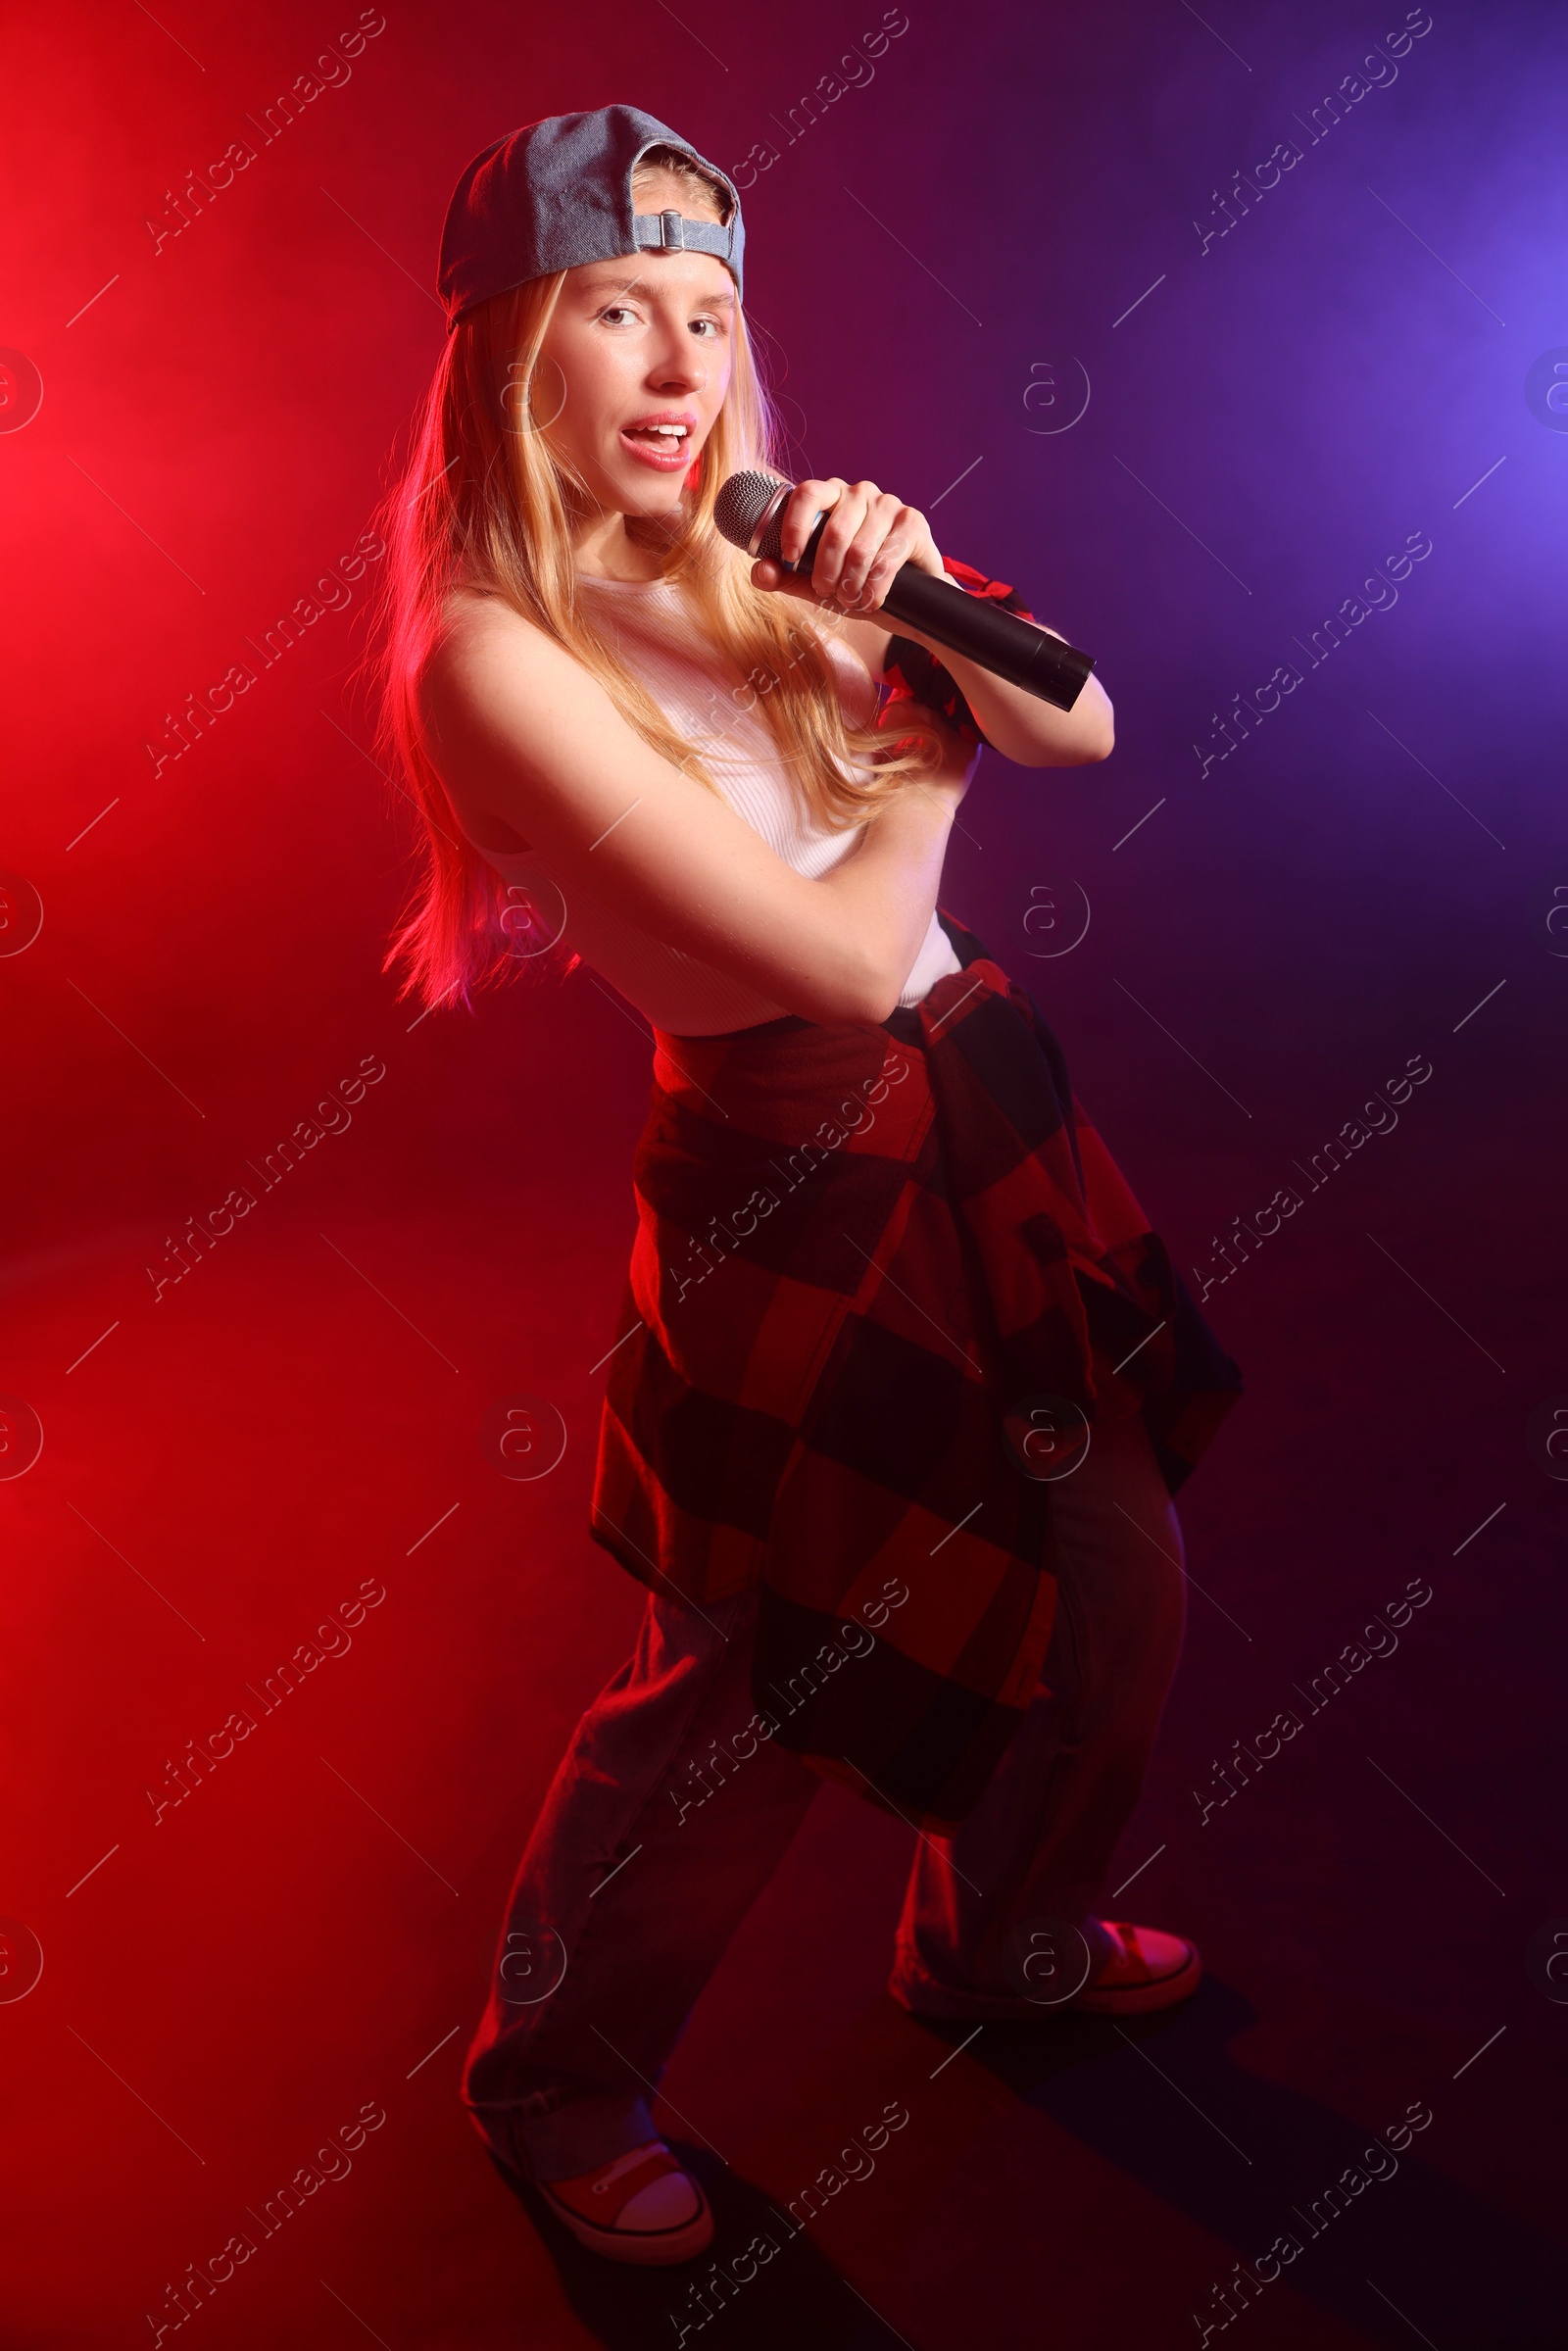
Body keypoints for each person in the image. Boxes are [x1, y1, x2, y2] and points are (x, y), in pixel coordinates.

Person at [373, 105, 1243, 2268]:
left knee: (1109, 1569)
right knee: (747, 1691)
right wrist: (923, 732)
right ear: (508, 357)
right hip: (786, 1168)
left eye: (706, 314)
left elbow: (1084, 728)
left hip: (979, 1122)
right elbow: (850, 957)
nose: (676, 361)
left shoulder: (770, 549)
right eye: (614, 313)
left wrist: (925, 585)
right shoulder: (490, 654)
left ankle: (995, 1946)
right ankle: (550, 2081)